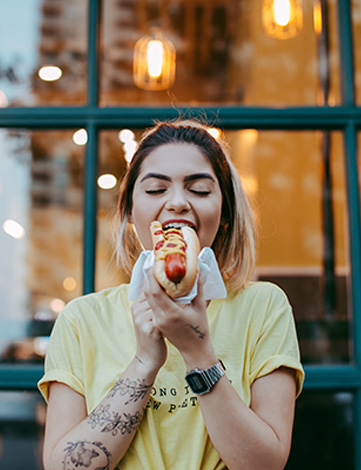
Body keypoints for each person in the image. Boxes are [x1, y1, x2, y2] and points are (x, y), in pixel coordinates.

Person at [38, 119, 304, 470]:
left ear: (223, 212)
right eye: (155, 190)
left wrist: (198, 352)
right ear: (131, 211)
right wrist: (145, 362)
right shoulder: (83, 319)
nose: (177, 202)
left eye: (199, 190)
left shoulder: (264, 306)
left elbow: (265, 464)